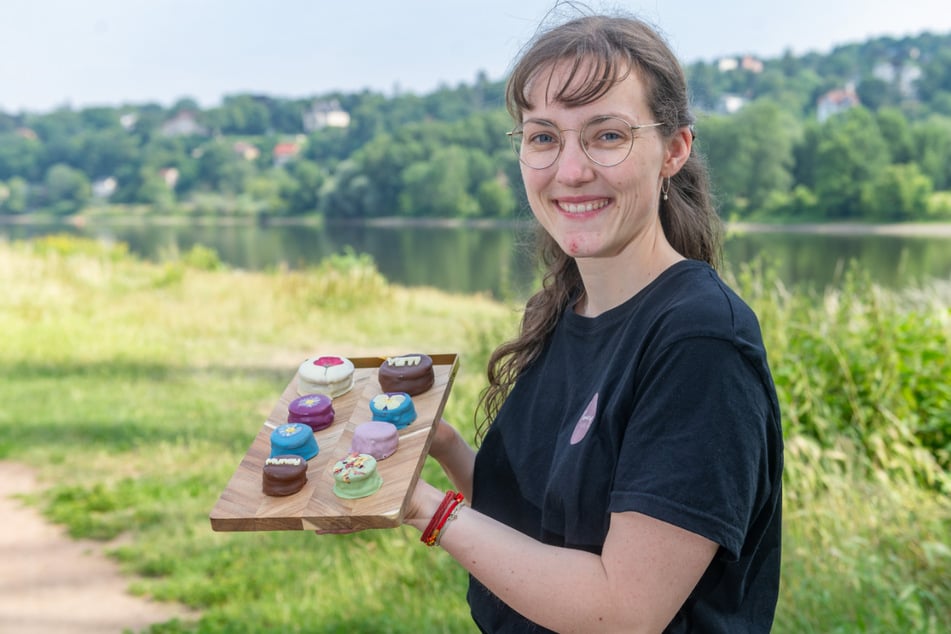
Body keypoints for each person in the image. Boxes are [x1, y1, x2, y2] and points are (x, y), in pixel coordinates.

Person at [400, 11, 784, 633]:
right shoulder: (570, 308)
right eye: (543, 137)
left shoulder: (701, 342)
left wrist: (421, 509)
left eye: (607, 135)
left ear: (674, 150)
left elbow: (625, 611)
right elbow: (541, 527)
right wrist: (440, 447)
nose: (571, 170)